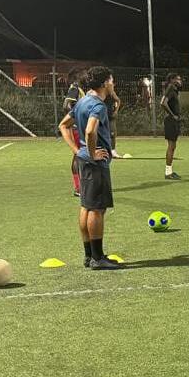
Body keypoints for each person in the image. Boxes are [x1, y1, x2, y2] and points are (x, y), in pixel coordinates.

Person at [58, 66, 123, 270]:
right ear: (104, 83)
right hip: (95, 164)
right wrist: (93, 152)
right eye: (111, 80)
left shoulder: (83, 101)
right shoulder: (97, 105)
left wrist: (78, 151)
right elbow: (89, 131)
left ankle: (89, 255)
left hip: (83, 160)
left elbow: (63, 125)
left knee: (86, 206)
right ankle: (98, 258)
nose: (113, 83)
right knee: (97, 208)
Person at [61, 70, 86, 197]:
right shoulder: (75, 88)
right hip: (77, 128)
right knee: (79, 155)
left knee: (78, 155)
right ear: (78, 77)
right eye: (85, 74)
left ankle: (80, 186)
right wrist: (76, 119)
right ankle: (79, 188)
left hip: (77, 127)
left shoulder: (79, 89)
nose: (87, 76)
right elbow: (67, 105)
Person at [160, 73, 183, 180]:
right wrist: (172, 115)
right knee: (171, 146)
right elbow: (163, 103)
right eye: (178, 79)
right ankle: (168, 173)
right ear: (172, 80)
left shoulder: (173, 90)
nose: (180, 81)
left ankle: (169, 171)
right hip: (171, 121)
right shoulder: (170, 88)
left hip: (173, 121)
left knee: (173, 146)